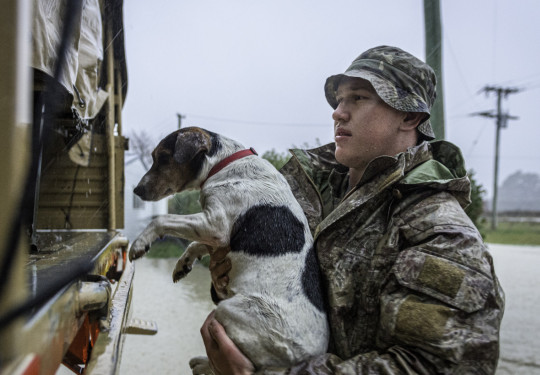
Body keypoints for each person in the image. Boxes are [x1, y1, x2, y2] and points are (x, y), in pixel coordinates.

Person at [200, 45, 505, 374]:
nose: (338, 112)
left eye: (358, 98)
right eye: (339, 100)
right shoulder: (298, 191)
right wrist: (224, 282)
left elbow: (434, 366)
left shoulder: (439, 232)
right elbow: (258, 286)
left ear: (410, 116)